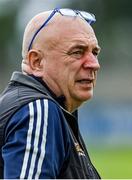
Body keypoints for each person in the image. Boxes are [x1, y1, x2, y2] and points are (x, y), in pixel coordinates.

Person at [0, 8, 101, 179]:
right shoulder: (38, 109)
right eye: (77, 52)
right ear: (36, 62)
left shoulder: (44, 108)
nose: (94, 64)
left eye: (95, 52)